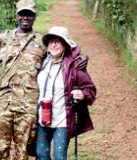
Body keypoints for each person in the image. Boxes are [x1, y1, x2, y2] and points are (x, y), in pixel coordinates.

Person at [0, 0, 88, 159]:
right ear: (17, 15)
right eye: (22, 13)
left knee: (21, 150)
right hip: (3, 103)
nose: (25, 17)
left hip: (28, 107)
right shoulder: (3, 39)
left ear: (34, 16)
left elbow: (63, 52)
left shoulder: (41, 41)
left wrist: (82, 57)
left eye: (29, 14)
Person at [36, 26, 97, 160]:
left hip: (62, 120)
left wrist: (83, 95)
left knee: (59, 157)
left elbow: (90, 90)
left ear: (65, 44)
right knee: (41, 154)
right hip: (42, 119)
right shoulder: (42, 62)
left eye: (58, 41)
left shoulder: (74, 66)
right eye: (51, 41)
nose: (54, 44)